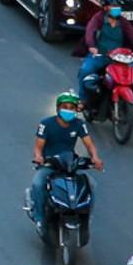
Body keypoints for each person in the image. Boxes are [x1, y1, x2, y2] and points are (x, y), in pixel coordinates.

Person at [28, 93, 102, 232]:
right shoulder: (46, 124)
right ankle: (39, 217)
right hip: (49, 164)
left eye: (71, 108)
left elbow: (89, 144)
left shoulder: (79, 124)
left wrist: (95, 157)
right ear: (58, 108)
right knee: (38, 184)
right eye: (65, 107)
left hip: (69, 164)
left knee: (91, 185)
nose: (68, 110)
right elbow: (38, 147)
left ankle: (86, 217)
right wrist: (39, 157)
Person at [78, 4, 133, 107]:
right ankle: (83, 100)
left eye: (118, 7)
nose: (117, 9)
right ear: (106, 8)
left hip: (119, 58)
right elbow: (89, 32)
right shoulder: (98, 19)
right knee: (85, 70)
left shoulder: (123, 21)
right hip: (99, 55)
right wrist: (92, 46)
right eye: (113, 6)